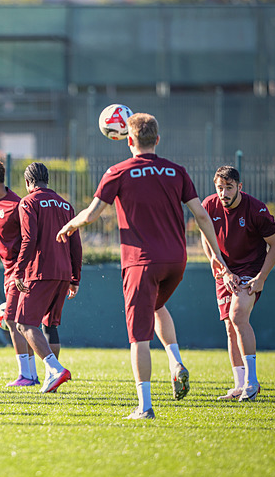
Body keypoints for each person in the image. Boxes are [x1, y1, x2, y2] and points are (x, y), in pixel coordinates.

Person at [57, 112, 227, 419]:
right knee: (157, 309)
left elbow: (92, 214)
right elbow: (201, 215)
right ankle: (175, 361)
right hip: (176, 261)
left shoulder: (118, 172)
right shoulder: (177, 172)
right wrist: (216, 255)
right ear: (157, 140)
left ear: (128, 139)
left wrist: (69, 226)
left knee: (138, 337)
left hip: (141, 263)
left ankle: (145, 406)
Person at [200, 165, 275, 402]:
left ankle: (253, 382)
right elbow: (207, 240)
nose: (223, 193)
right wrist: (221, 269)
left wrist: (261, 278)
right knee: (229, 326)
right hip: (226, 272)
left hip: (250, 270)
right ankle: (239, 385)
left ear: (239, 187)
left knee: (237, 316)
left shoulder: (256, 209)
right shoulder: (209, 205)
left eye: (229, 188)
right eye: (219, 188)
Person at [13, 163, 80, 393]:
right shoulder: (66, 205)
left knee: (24, 323)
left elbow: (28, 239)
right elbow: (76, 244)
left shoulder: (28, 202)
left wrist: (19, 270)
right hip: (63, 273)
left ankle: (55, 369)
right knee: (49, 324)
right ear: (47, 180)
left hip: (39, 272)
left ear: (28, 182)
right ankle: (52, 377)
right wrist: (75, 278)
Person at [0, 159, 38, 386]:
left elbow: (29, 238)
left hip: (20, 271)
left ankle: (26, 375)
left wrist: (22, 270)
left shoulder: (17, 205)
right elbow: (4, 235)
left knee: (12, 320)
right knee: (19, 320)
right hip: (7, 270)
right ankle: (32, 374)